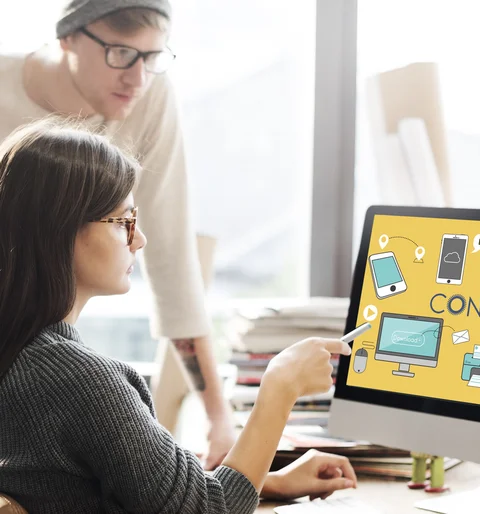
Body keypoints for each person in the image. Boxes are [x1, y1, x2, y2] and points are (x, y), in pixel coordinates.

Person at [0, 119, 357, 513]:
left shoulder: (23, 358)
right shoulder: (80, 381)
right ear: (61, 231)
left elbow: (104, 488)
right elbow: (208, 510)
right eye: (124, 222)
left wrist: (266, 482)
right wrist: (280, 388)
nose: (140, 240)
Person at [0, 0, 237, 468]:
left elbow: (170, 256)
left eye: (153, 57)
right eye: (121, 53)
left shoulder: (150, 94)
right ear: (67, 37)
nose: (138, 78)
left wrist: (218, 417)